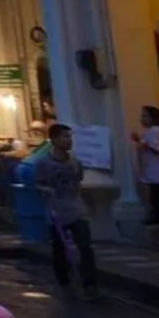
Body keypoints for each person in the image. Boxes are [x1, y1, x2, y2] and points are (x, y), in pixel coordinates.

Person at [37, 124, 101, 300]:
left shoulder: (75, 162)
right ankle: (64, 281)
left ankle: (90, 284)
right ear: (54, 140)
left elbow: (78, 181)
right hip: (56, 211)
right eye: (65, 137)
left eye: (70, 136)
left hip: (76, 208)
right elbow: (38, 183)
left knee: (86, 246)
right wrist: (45, 190)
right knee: (59, 249)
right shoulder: (43, 163)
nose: (69, 140)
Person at [131, 106, 159, 244]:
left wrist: (142, 143)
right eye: (142, 116)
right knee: (158, 205)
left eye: (146, 116)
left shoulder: (156, 131)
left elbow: (157, 149)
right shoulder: (150, 132)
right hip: (154, 175)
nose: (142, 119)